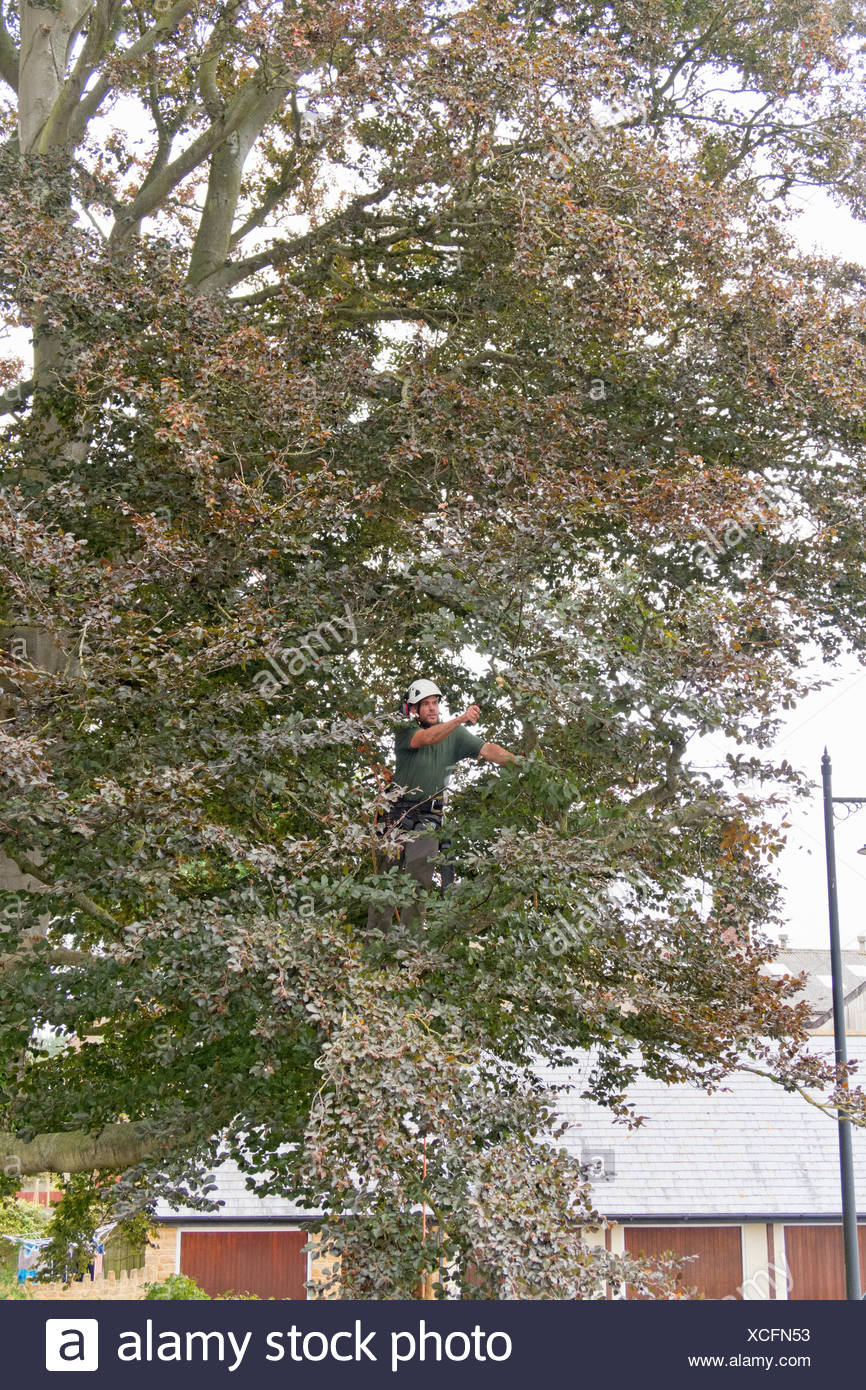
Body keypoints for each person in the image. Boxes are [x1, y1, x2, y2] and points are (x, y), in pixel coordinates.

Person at [366, 678, 515, 932]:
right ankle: (375, 951)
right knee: (385, 884)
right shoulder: (405, 730)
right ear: (413, 709)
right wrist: (460, 719)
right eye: (426, 704)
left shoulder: (454, 734)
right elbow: (426, 738)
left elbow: (488, 750)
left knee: (419, 880)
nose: (432, 708)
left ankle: (410, 953)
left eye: (435, 703)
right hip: (397, 815)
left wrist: (524, 764)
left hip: (428, 819)